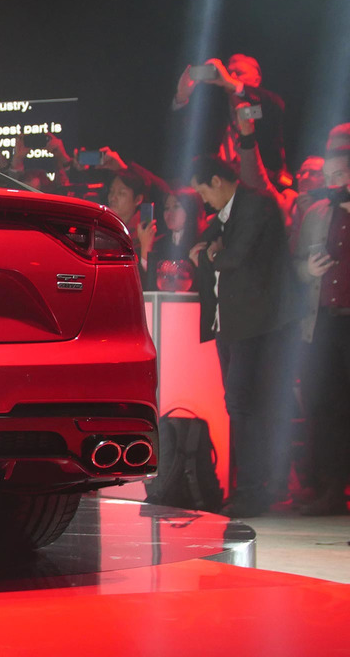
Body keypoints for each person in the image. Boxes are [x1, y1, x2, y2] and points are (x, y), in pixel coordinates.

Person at [189, 155, 301, 517]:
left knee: (245, 402)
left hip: (257, 324)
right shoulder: (225, 216)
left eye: (204, 192)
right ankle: (256, 486)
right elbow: (204, 248)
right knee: (241, 404)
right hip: (232, 323)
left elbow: (234, 256)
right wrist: (209, 251)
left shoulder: (254, 204)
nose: (204, 201)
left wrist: (210, 257)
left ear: (217, 181)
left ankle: (256, 488)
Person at [292, 123, 350, 515]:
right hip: (324, 321)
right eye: (328, 176)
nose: (332, 183)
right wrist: (307, 270)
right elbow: (295, 263)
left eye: (339, 174)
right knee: (324, 404)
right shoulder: (315, 213)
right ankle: (329, 486)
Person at [173, 54, 287, 182]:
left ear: (256, 80)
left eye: (239, 73)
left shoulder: (264, 107)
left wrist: (232, 84)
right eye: (228, 73)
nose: (232, 76)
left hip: (259, 183)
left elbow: (273, 108)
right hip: (218, 182)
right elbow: (180, 131)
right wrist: (182, 96)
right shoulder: (217, 109)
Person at [144, 189, 205, 291]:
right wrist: (146, 246)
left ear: (190, 210)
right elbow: (149, 281)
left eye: (176, 207)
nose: (169, 213)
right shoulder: (159, 243)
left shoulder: (201, 241)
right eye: (167, 208)